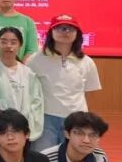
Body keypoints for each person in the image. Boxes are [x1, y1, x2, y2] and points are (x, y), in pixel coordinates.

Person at [27, 14, 102, 152]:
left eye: (70, 29)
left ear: (77, 34)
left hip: (76, 120)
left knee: (72, 158)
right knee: (42, 158)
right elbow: (28, 89)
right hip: (45, 119)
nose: (65, 32)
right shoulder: (36, 59)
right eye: (60, 28)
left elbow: (89, 93)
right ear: (51, 32)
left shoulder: (87, 62)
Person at [0, 28, 45, 146]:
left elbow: (36, 101)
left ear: (20, 45)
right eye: (4, 42)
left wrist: (27, 123)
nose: (9, 46)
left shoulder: (28, 73)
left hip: (21, 128)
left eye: (13, 42)